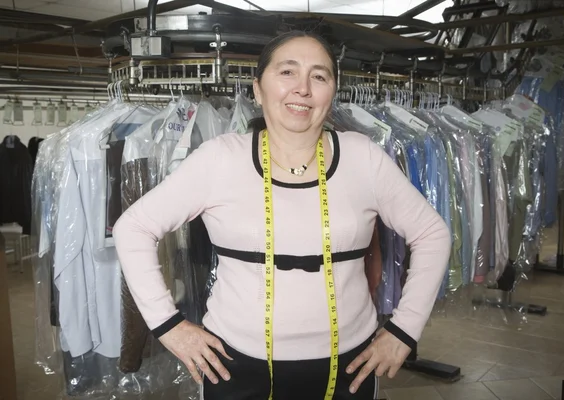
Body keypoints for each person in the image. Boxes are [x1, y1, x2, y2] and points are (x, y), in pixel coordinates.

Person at [113, 30, 451, 400]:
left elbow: (432, 234)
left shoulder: (364, 158)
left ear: (332, 92)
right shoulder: (219, 158)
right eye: (287, 72)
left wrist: (404, 330)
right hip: (234, 365)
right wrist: (168, 326)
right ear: (258, 89)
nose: (303, 88)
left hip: (349, 366)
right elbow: (134, 227)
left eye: (319, 76)